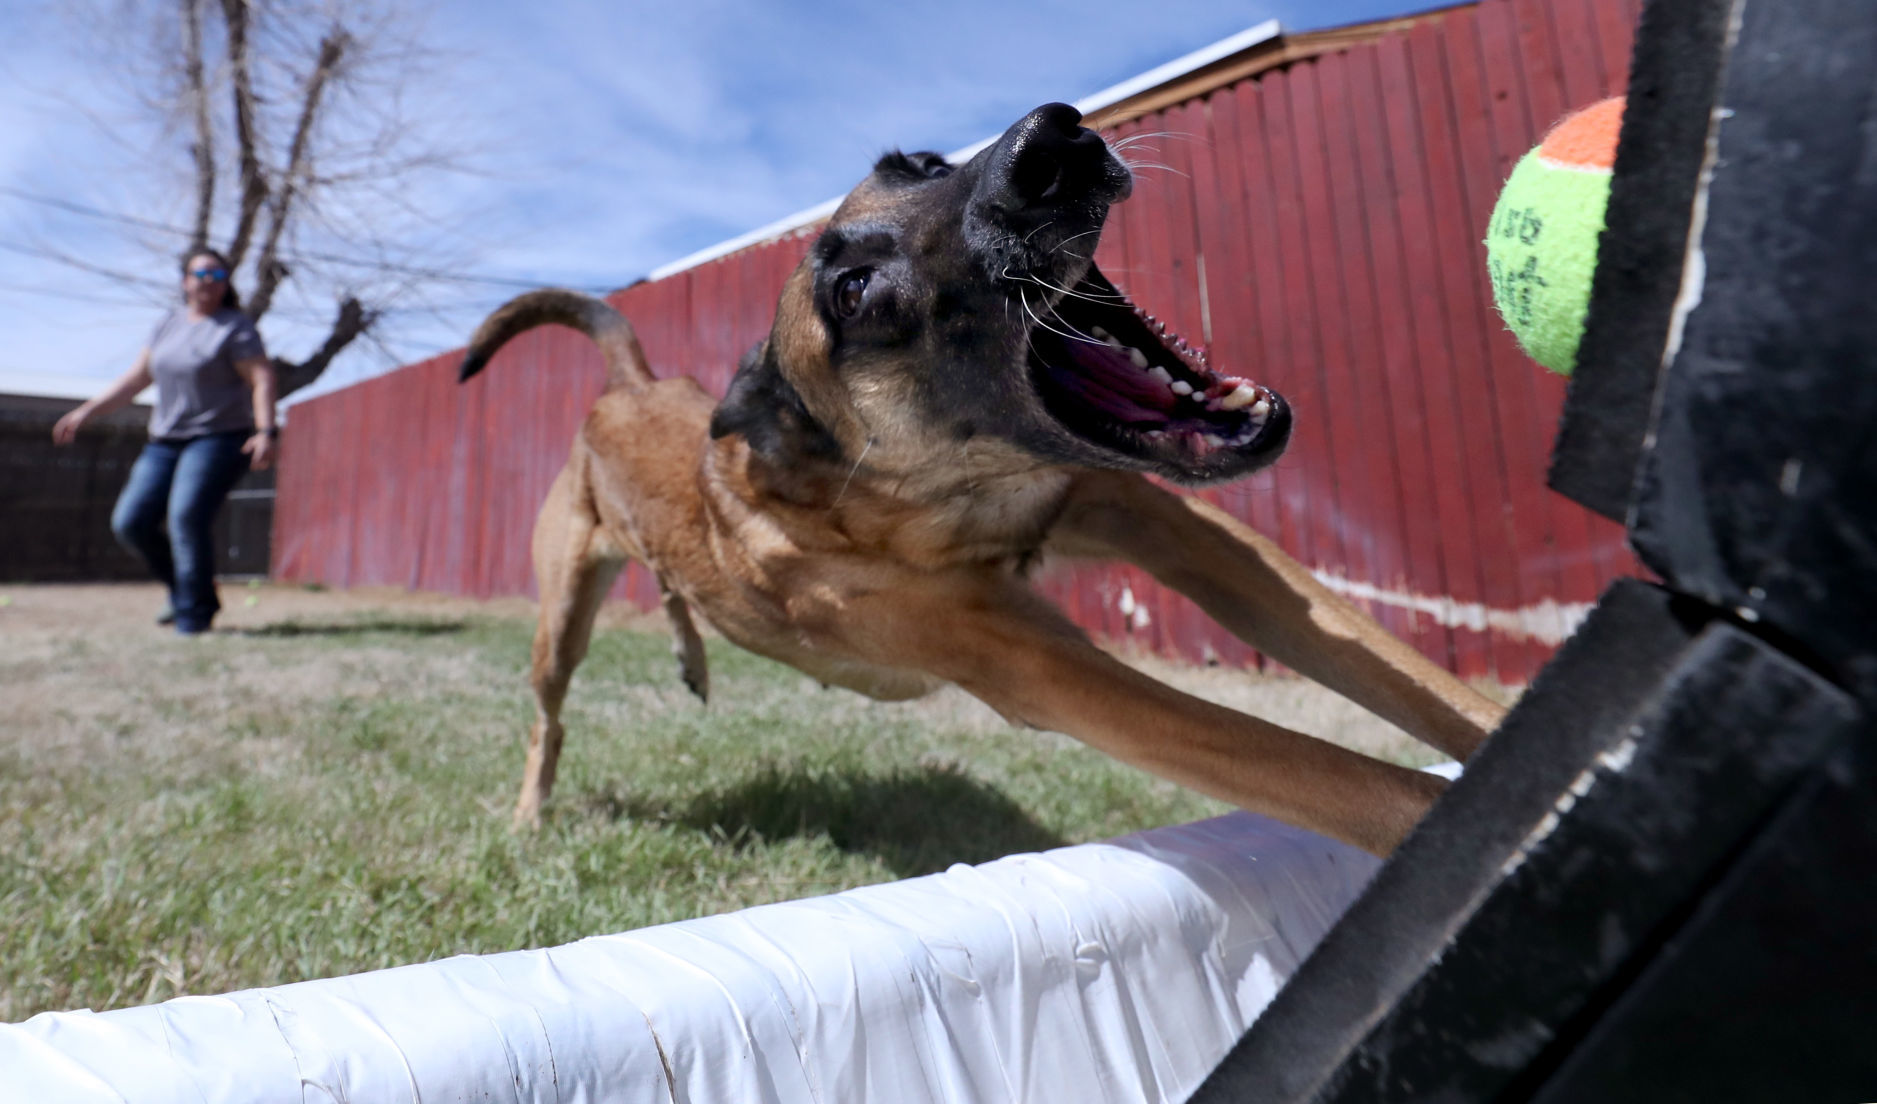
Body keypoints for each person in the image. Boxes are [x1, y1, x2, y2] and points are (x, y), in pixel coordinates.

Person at [52, 247, 278, 635]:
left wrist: (265, 431)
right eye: (200, 274)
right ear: (185, 281)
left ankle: (193, 620)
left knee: (186, 517)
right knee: (130, 522)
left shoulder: (234, 327)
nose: (209, 281)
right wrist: (87, 410)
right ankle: (186, 590)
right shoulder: (167, 326)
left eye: (218, 275)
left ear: (226, 284)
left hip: (219, 437)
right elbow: (136, 380)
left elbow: (261, 378)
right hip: (165, 440)